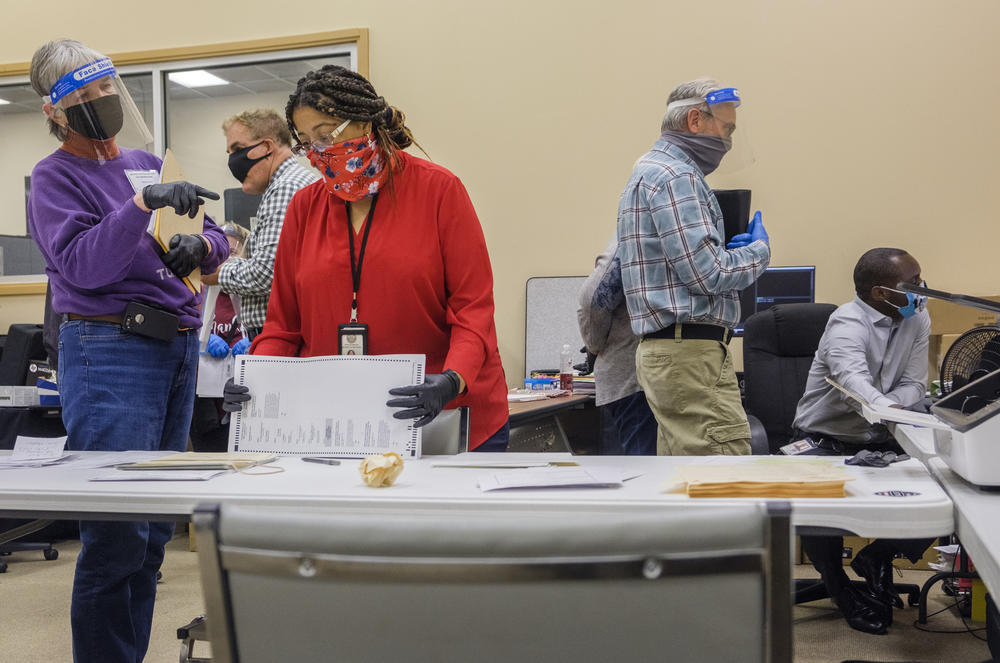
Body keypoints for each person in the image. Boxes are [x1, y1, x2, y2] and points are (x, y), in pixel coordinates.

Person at [26, 39, 227, 663]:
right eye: (84, 99)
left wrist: (207, 248)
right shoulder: (53, 178)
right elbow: (86, 266)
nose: (101, 104)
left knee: (151, 534)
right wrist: (140, 205)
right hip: (110, 349)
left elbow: (206, 229)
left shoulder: (143, 160)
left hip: (175, 346)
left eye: (107, 91)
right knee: (116, 536)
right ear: (54, 113)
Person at [224, 65, 509, 450]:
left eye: (326, 135)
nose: (317, 154)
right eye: (307, 142)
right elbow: (284, 326)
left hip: (445, 414)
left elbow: (472, 310)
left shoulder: (439, 191)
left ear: (365, 124)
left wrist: (451, 378)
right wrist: (253, 376)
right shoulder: (305, 207)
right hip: (346, 425)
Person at [616, 77, 770, 456]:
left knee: (686, 483)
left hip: (674, 354)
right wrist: (760, 252)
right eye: (726, 128)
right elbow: (709, 273)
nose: (729, 141)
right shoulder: (676, 177)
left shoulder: (651, 171)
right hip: (690, 355)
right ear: (695, 122)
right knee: (722, 478)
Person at [792, 247, 935, 635]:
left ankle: (876, 556)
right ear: (880, 293)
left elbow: (915, 384)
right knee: (817, 509)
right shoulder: (846, 325)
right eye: (915, 283)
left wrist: (890, 409)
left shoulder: (916, 315)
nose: (923, 290)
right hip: (826, 440)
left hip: (884, 435)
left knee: (946, 488)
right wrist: (885, 407)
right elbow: (852, 384)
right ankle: (841, 591)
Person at [202, 109, 319, 341]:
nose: (232, 161)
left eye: (237, 149)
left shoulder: (285, 188)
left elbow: (265, 273)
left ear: (267, 147)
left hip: (283, 337)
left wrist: (213, 272)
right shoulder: (297, 182)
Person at [577, 233, 656, 454]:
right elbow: (592, 299)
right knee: (644, 475)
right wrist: (594, 345)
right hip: (633, 380)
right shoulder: (635, 231)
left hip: (641, 378)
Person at [190, 223, 250, 452]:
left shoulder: (253, 293)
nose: (225, 261)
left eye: (233, 253)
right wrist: (200, 342)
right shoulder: (197, 291)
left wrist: (255, 344)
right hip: (205, 405)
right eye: (221, 254)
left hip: (243, 394)